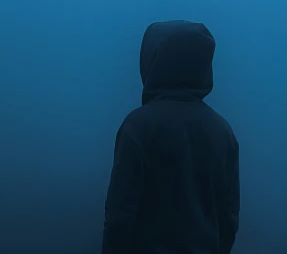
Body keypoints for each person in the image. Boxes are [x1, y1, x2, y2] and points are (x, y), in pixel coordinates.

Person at [102, 20, 240, 254]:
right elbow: (229, 218)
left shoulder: (138, 126)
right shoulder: (222, 131)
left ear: (152, 60)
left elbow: (119, 216)